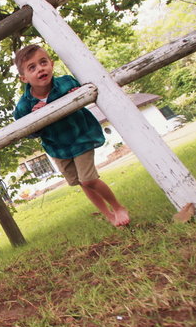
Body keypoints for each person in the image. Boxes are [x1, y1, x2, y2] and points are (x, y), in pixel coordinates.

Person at [13, 44, 130, 227]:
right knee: (82, 183)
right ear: (24, 78)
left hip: (80, 136)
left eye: (43, 62)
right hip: (58, 148)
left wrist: (78, 94)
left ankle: (118, 207)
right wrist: (36, 118)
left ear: (51, 64)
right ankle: (108, 215)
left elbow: (85, 92)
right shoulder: (23, 107)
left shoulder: (67, 82)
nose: (40, 69)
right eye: (32, 67)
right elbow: (26, 132)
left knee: (89, 179)